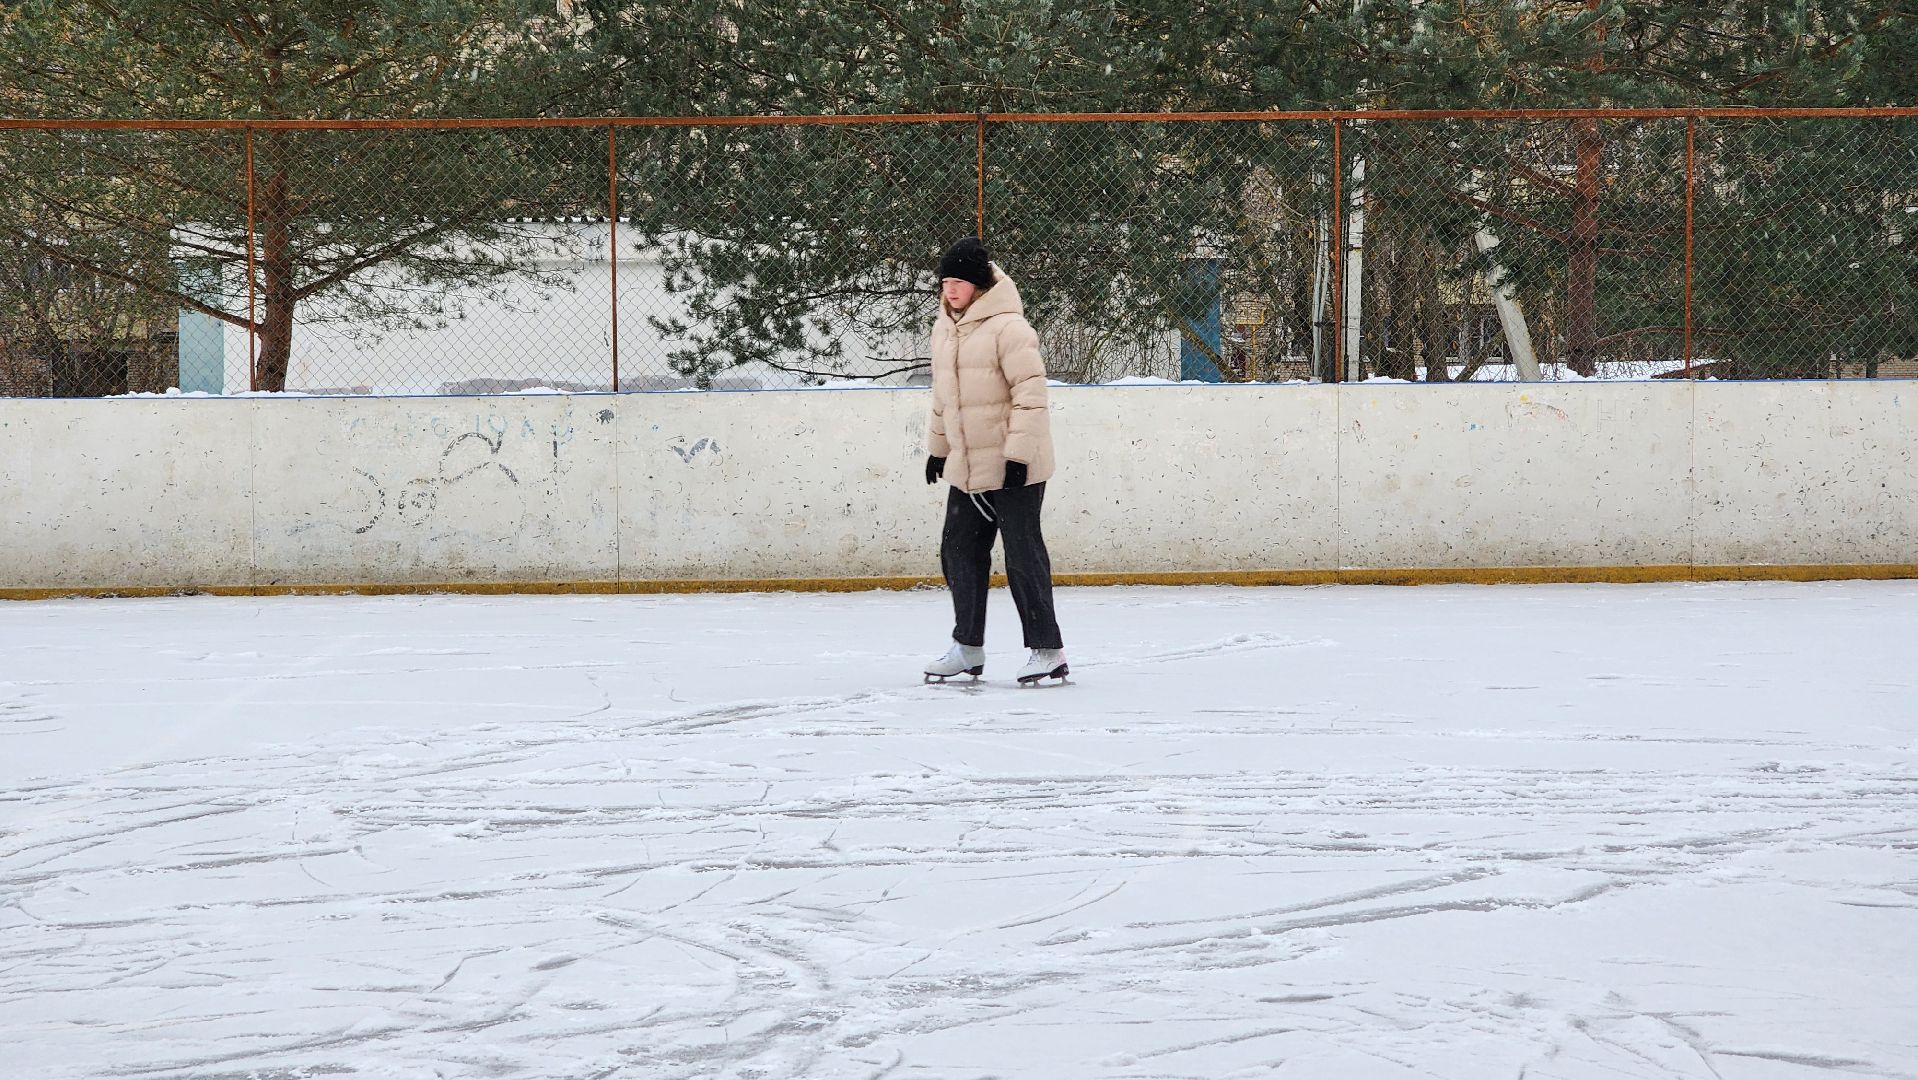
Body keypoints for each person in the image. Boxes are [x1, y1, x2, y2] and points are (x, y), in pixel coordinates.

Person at [921, 237, 1068, 685]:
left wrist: (1018, 456)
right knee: (958, 552)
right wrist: (938, 451)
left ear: (979, 284)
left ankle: (1048, 651)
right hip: (967, 467)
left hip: (1013, 467)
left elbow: (1031, 396)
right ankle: (967, 647)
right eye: (945, 281)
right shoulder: (944, 329)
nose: (950, 289)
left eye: (959, 281)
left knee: (1023, 557)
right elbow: (943, 399)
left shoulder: (1010, 329)